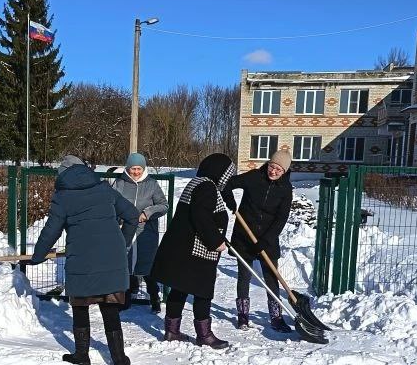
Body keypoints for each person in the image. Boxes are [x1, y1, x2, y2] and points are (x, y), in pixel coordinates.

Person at [30, 155, 140, 365]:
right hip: (112, 256)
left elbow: (51, 230)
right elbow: (133, 216)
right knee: (110, 307)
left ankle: (82, 355)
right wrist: (122, 243)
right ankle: (119, 360)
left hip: (82, 259)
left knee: (80, 306)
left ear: (62, 175)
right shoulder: (104, 189)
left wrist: (37, 256)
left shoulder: (63, 197)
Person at [149, 152, 236, 349]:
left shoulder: (198, 183)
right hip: (198, 250)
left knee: (179, 288)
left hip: (183, 248)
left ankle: (172, 330)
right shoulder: (207, 187)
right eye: (227, 174)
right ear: (219, 172)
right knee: (203, 292)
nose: (227, 178)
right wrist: (216, 241)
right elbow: (202, 216)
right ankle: (204, 335)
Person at [226, 149, 293, 332]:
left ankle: (276, 317)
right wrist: (230, 201)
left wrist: (267, 240)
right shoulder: (254, 177)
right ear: (267, 164)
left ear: (284, 172)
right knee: (244, 276)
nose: (273, 172)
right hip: (244, 237)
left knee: (271, 278)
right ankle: (243, 316)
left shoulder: (286, 189)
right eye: (272, 166)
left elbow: (281, 218)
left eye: (279, 170)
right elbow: (228, 184)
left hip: (267, 240)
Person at [111, 152, 168, 312]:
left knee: (146, 265)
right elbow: (111, 203)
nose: (135, 172)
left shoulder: (152, 184)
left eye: (139, 169)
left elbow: (164, 205)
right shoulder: (119, 183)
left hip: (146, 232)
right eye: (132, 169)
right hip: (125, 231)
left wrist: (147, 213)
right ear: (127, 168)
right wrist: (118, 218)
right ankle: (126, 297)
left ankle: (154, 296)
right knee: (125, 263)